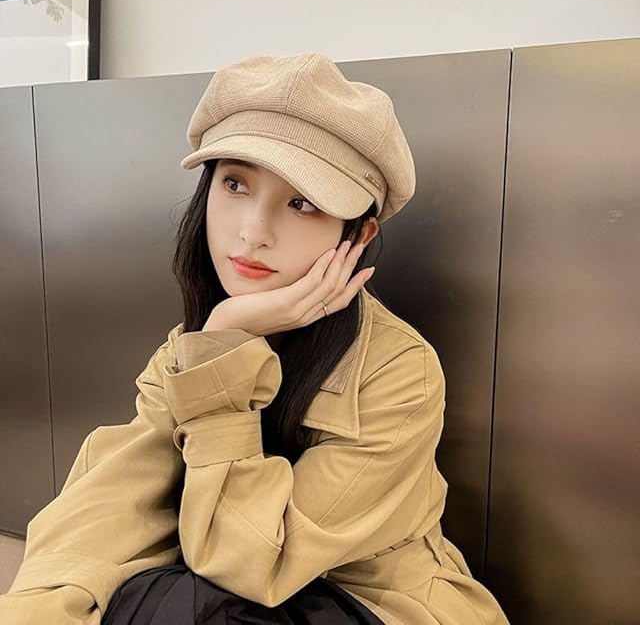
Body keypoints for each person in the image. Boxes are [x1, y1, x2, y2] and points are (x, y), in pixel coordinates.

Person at [0, 52, 509, 624]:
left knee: (191, 607)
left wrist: (224, 345)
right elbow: (106, 510)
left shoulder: (401, 371)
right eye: (236, 183)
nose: (252, 232)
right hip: (228, 595)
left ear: (360, 234)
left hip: (374, 603)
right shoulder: (188, 347)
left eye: (302, 203)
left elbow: (247, 561)